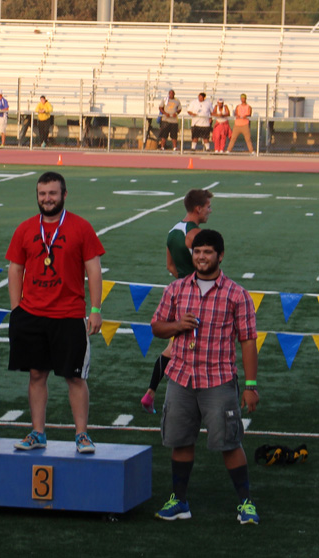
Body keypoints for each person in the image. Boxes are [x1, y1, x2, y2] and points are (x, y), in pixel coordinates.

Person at [151, 229, 260, 524]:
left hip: (219, 380)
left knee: (229, 442)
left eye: (208, 252)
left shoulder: (237, 294)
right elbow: (157, 327)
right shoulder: (176, 289)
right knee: (181, 441)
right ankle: (180, 501)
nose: (201, 257)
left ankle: (246, 503)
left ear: (220, 256)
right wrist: (176, 326)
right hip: (181, 378)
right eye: (197, 252)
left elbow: (248, 340)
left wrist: (250, 386)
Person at [7, 171, 105, 454]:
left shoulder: (81, 227)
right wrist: (16, 309)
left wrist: (95, 309)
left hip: (69, 315)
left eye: (52, 193)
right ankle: (38, 432)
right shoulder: (25, 229)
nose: (47, 199)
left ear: (64, 194)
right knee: (37, 375)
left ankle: (82, 435)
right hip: (32, 314)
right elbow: (15, 268)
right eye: (42, 194)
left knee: (75, 377)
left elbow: (94, 269)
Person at [140, 189, 214, 414]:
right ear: (198, 208)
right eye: (208, 207)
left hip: (180, 294)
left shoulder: (173, 231)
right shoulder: (195, 234)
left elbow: (170, 266)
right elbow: (206, 264)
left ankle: (150, 393)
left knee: (173, 347)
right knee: (198, 348)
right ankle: (195, 400)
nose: (210, 211)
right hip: (198, 296)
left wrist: (183, 281)